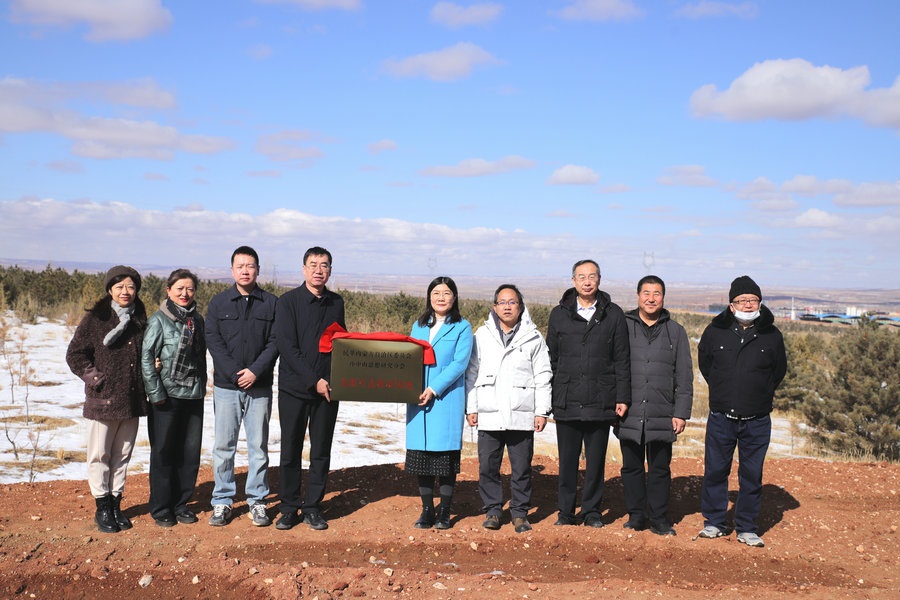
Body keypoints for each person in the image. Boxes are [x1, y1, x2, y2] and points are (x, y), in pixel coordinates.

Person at [697, 275, 786, 548]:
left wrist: (758, 393)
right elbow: (706, 365)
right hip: (721, 417)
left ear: (760, 302)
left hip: (756, 419)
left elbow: (778, 372)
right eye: (742, 300)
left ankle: (747, 527)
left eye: (753, 299)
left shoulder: (772, 335)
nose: (748, 304)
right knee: (715, 471)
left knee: (751, 475)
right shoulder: (715, 331)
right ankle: (714, 522)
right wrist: (724, 390)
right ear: (731, 304)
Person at [547, 259, 630, 527]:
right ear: (573, 281)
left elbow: (621, 358)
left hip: (601, 399)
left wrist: (622, 397)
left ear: (599, 280)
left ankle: (592, 512)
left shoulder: (613, 314)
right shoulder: (559, 314)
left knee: (595, 463)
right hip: (567, 399)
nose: (587, 282)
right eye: (581, 277)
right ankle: (566, 513)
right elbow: (551, 358)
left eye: (592, 276)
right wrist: (553, 394)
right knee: (567, 462)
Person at [66, 265, 148, 534]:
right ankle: (102, 506)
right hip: (103, 399)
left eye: (131, 286)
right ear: (110, 289)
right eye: (120, 286)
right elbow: (75, 354)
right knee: (99, 454)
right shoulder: (96, 319)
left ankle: (115, 504)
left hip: (132, 399)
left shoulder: (139, 318)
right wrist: (95, 378)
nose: (126, 291)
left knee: (122, 456)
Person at [465, 284, 551, 533]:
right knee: (488, 466)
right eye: (502, 302)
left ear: (520, 307)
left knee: (521, 467)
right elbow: (471, 373)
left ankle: (520, 513)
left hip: (521, 413)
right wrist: (472, 407)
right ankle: (493, 510)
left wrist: (541, 411)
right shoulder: (481, 336)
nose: (507, 307)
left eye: (512, 302)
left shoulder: (533, 337)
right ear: (494, 307)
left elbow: (543, 374)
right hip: (489, 411)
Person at [205, 246, 278, 527]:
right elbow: (214, 341)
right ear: (232, 270)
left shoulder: (270, 303)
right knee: (224, 446)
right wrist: (237, 375)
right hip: (227, 387)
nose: (245, 271)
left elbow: (275, 341)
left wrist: (255, 371)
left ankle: (257, 500)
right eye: (240, 266)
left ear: (258, 270)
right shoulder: (219, 303)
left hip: (259, 387)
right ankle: (222, 500)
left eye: (250, 266)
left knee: (258, 446)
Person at [274, 247, 345, 531]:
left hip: (328, 391)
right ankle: (289, 508)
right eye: (313, 264)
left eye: (324, 265)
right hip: (294, 388)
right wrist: (314, 380)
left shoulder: (336, 302)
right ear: (304, 269)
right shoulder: (287, 302)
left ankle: (313, 507)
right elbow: (287, 347)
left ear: (330, 271)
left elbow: (340, 343)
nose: (318, 270)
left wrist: (338, 379)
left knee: (321, 451)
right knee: (290, 450)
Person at [616, 275, 693, 536]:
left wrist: (681, 412)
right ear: (638, 296)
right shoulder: (623, 326)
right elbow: (613, 367)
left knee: (660, 468)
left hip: (663, 412)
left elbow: (684, 376)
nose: (651, 298)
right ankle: (636, 515)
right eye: (646, 293)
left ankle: (660, 518)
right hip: (629, 410)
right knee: (632, 467)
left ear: (663, 297)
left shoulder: (676, 331)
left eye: (656, 293)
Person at [141, 269, 207, 528]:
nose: (184, 293)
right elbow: (147, 358)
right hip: (166, 397)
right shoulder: (159, 320)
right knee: (164, 452)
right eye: (179, 288)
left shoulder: (197, 320)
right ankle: (161, 507)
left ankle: (181, 504)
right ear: (168, 291)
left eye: (189, 289)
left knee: (189, 453)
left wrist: (202, 387)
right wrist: (156, 393)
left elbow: (200, 358)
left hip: (193, 395)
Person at [406, 276, 473, 530]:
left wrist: (433, 389)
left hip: (445, 399)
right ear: (429, 297)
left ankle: (445, 510)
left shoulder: (462, 327)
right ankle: (427, 510)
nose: (441, 298)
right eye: (436, 293)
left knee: (444, 458)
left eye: (446, 293)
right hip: (417, 399)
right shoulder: (419, 325)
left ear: (454, 297)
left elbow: (459, 363)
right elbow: (408, 356)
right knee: (421, 456)